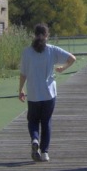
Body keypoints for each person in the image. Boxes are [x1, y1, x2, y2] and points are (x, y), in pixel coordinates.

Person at [18, 23, 76, 162]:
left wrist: (20, 89)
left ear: (34, 35)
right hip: (49, 93)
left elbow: (23, 73)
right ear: (47, 35)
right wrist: (63, 68)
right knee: (46, 122)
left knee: (32, 121)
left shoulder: (27, 52)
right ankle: (44, 152)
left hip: (33, 94)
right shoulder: (52, 50)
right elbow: (72, 58)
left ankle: (35, 140)